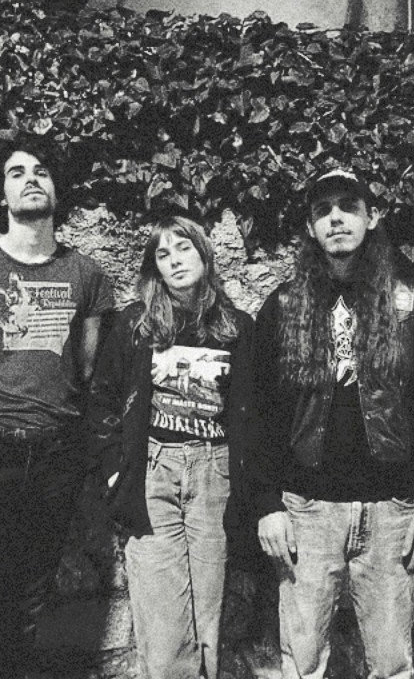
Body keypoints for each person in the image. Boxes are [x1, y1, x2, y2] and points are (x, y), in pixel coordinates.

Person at [250, 169, 414, 679]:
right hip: (307, 510)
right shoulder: (283, 305)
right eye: (323, 211)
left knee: (391, 664)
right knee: (302, 664)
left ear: (372, 216)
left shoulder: (413, 301)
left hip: (392, 510)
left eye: (348, 206)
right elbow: (262, 413)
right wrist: (268, 504)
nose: (336, 218)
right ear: (310, 227)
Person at [0, 145, 115, 678]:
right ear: (2, 194)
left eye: (42, 171)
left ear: (56, 189)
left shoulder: (87, 274)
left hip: (55, 459)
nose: (31, 179)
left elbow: (86, 370)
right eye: (17, 173)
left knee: (28, 619)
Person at [87, 216, 254, 679]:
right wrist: (116, 472)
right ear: (154, 268)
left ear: (204, 255)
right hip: (151, 470)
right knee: (163, 630)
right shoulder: (134, 324)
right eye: (163, 254)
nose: (175, 261)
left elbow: (254, 412)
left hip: (214, 472)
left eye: (184, 248)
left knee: (209, 617)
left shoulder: (238, 327)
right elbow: (101, 398)